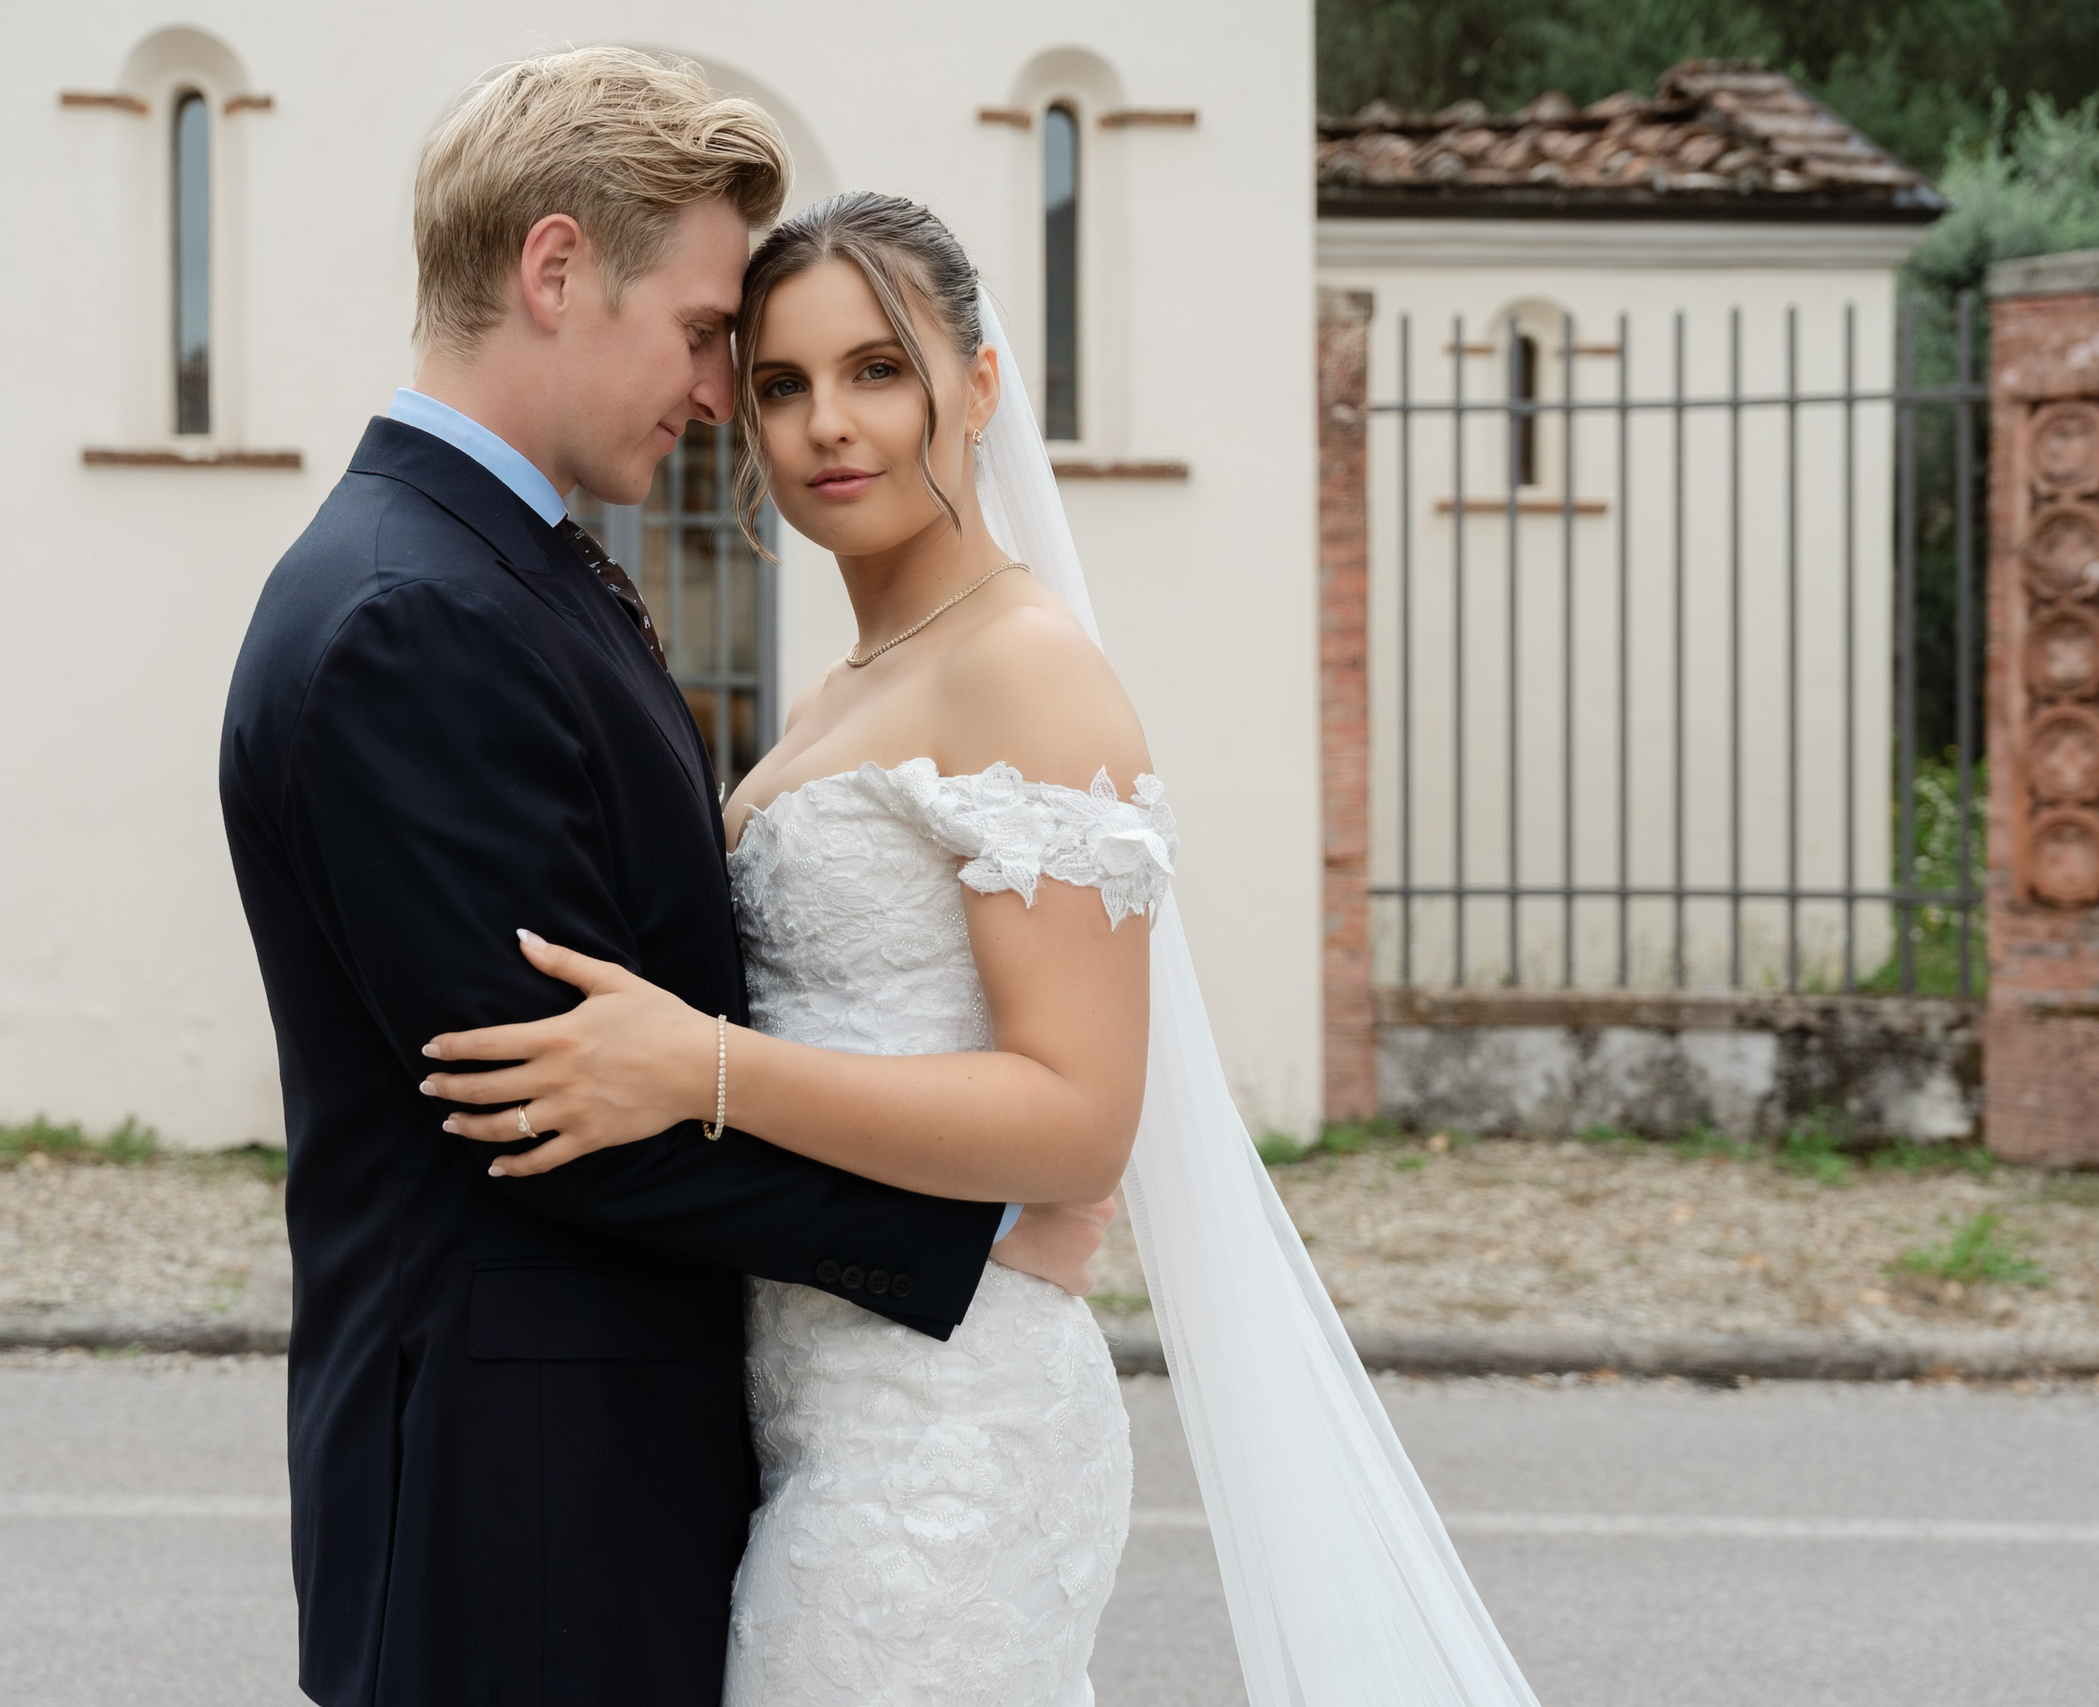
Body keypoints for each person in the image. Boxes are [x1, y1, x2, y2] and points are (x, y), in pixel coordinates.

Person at [426, 192, 1550, 1707]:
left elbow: (1081, 1120)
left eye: (877, 370)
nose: (831, 423)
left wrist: (700, 1068)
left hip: (939, 1444)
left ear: (979, 383)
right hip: (817, 1403)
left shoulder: (1024, 669)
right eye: (781, 383)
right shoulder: (846, 683)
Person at [217, 50, 1107, 1707]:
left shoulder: (501, 570)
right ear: (557, 271)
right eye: (714, 338)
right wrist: (962, 1230)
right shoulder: (414, 614)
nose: (723, 395)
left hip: (625, 1465)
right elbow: (549, 1107)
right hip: (516, 1493)